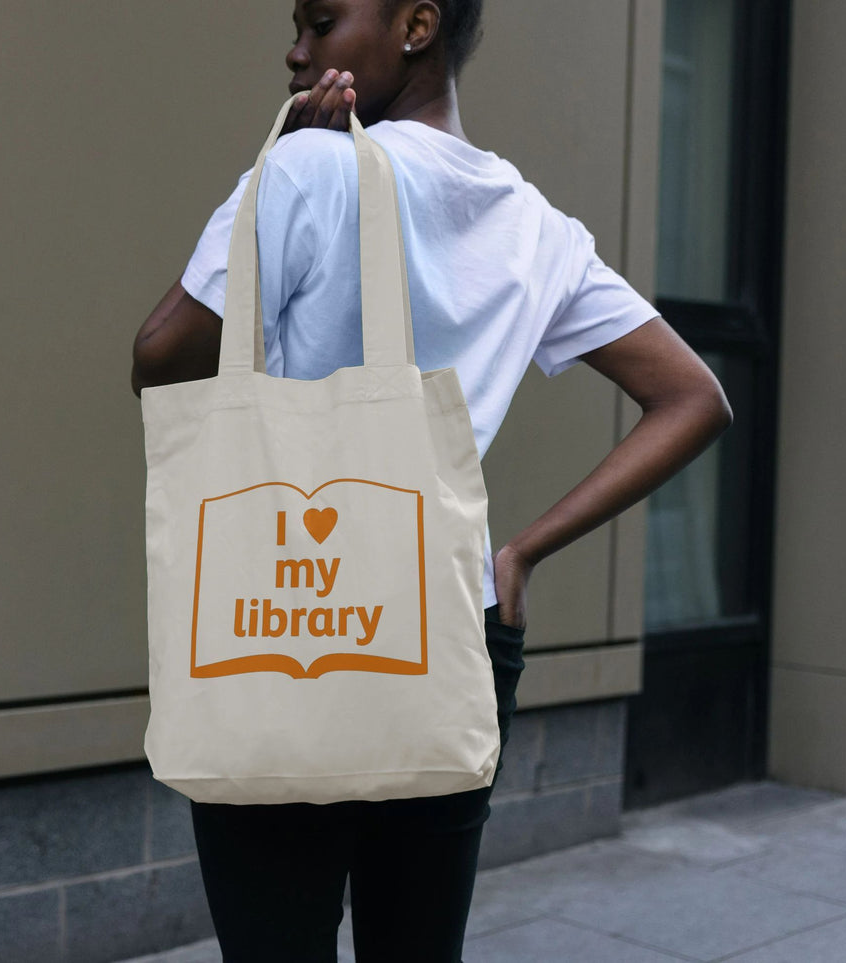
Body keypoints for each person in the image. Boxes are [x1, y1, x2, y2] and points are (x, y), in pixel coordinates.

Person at [130, 1, 731, 958]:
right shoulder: (534, 226)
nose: (294, 48)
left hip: (283, 620)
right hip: (451, 624)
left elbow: (160, 358)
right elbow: (693, 397)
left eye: (320, 21)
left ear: (416, 26)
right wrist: (519, 554)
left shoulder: (308, 166)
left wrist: (269, 179)